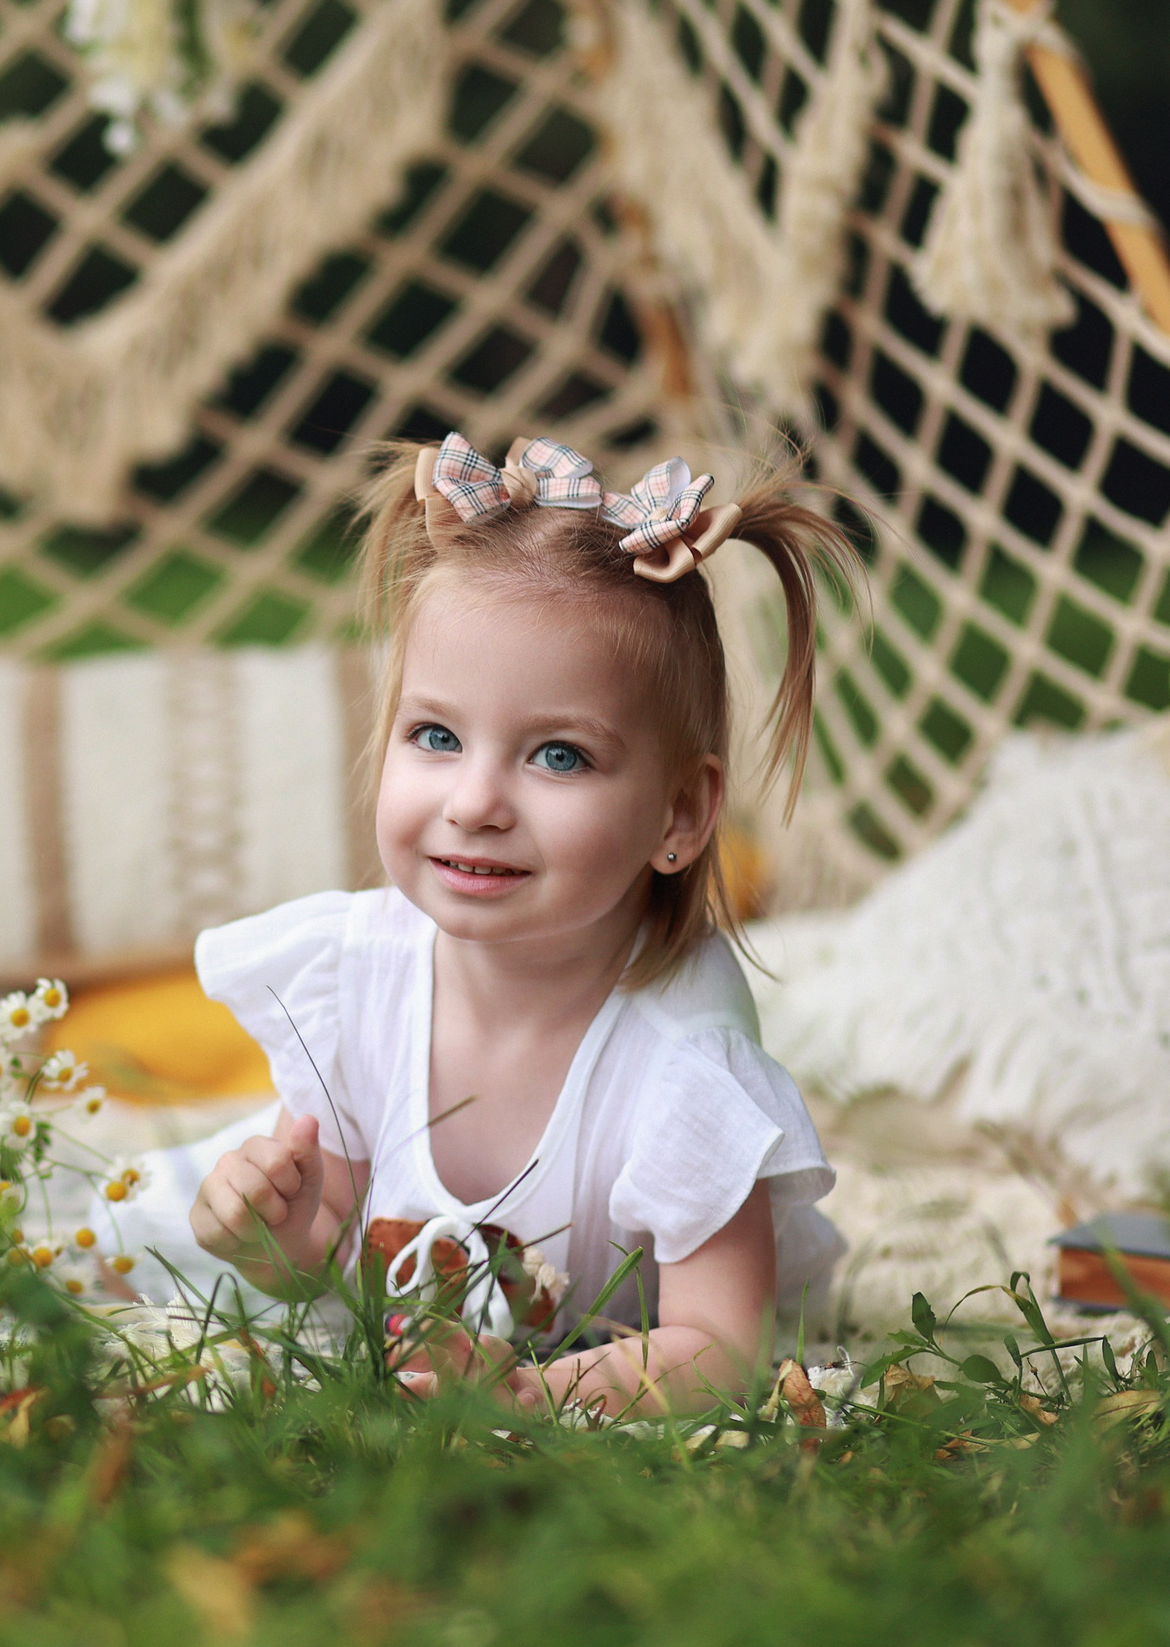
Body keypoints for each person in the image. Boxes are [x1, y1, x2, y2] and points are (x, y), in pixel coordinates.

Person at [187, 431, 858, 1416]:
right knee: (123, 1230)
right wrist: (273, 1239)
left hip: (583, 1354)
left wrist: (532, 1396)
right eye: (436, 737)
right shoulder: (359, 976)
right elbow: (336, 1251)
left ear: (678, 816)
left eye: (557, 758)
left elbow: (720, 1347)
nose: (474, 802)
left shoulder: (677, 1067)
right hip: (445, 1331)